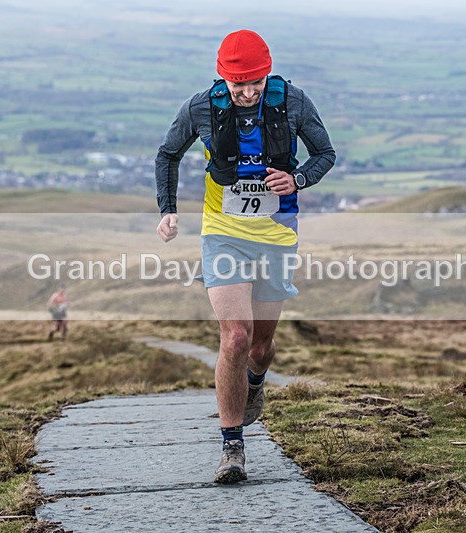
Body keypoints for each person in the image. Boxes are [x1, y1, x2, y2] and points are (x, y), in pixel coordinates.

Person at [155, 29, 335, 483]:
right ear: (223, 78)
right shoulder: (200, 107)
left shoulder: (293, 103)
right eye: (239, 86)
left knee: (260, 345)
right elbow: (167, 154)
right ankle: (231, 448)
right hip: (224, 233)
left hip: (276, 234)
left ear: (266, 73)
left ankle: (255, 383)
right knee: (235, 336)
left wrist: (299, 180)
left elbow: (325, 154)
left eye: (256, 83)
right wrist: (169, 211)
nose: (248, 92)